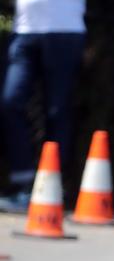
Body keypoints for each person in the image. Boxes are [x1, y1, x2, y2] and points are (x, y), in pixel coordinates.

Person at [0, 0, 86, 211]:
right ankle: (24, 181)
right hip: (25, 30)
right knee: (10, 103)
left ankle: (50, 188)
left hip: (65, 30)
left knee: (56, 113)